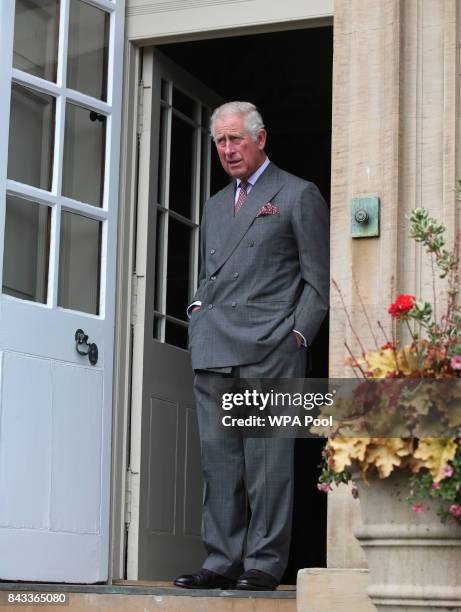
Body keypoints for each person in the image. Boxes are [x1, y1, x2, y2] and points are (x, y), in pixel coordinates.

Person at [174, 101, 329, 591]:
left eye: (235, 138)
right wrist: (197, 312)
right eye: (220, 141)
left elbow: (318, 281)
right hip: (215, 347)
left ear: (261, 139)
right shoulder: (216, 204)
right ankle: (220, 559)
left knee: (268, 464)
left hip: (271, 347)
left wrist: (298, 335)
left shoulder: (298, 194)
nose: (227, 149)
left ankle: (263, 562)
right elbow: (207, 275)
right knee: (220, 464)